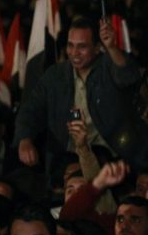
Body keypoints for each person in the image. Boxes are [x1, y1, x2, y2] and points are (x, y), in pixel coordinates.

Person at [15, 17, 148, 169]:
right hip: (70, 161)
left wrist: (111, 47)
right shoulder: (55, 75)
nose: (74, 53)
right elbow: (30, 109)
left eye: (82, 47)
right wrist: (24, 139)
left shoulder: (109, 65)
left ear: (98, 48)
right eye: (70, 45)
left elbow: (129, 77)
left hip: (116, 159)